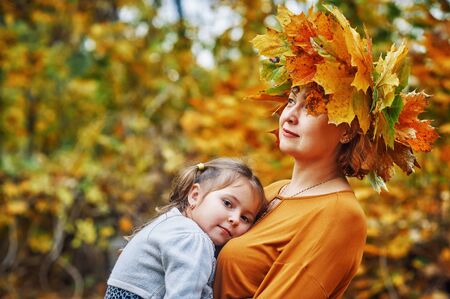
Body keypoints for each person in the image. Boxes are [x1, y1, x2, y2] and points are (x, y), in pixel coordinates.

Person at [214, 5, 437, 299]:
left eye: (313, 106)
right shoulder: (273, 191)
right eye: (292, 100)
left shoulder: (340, 216)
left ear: (347, 129)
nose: (290, 115)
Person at [105, 158, 266, 299]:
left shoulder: (172, 223)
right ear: (195, 195)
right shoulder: (193, 238)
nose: (235, 219)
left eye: (245, 218)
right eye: (227, 203)